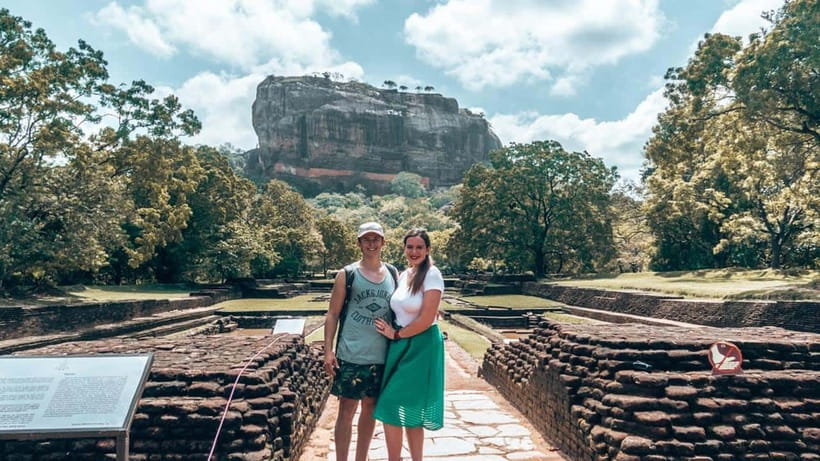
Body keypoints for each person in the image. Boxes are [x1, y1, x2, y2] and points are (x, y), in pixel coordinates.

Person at [323, 222, 398, 461]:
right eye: (367, 239)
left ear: (383, 243)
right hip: (351, 353)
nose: (372, 244)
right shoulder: (348, 274)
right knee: (346, 410)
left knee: (371, 410)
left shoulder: (393, 274)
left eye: (376, 239)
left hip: (382, 355)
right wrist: (328, 351)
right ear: (359, 243)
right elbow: (333, 314)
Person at [373, 228, 445, 461]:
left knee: (391, 403)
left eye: (419, 247)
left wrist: (395, 334)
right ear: (404, 248)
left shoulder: (432, 274)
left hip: (422, 346)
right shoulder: (405, 275)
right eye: (410, 247)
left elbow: (426, 319)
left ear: (428, 250)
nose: (414, 252)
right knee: (408, 409)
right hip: (401, 346)